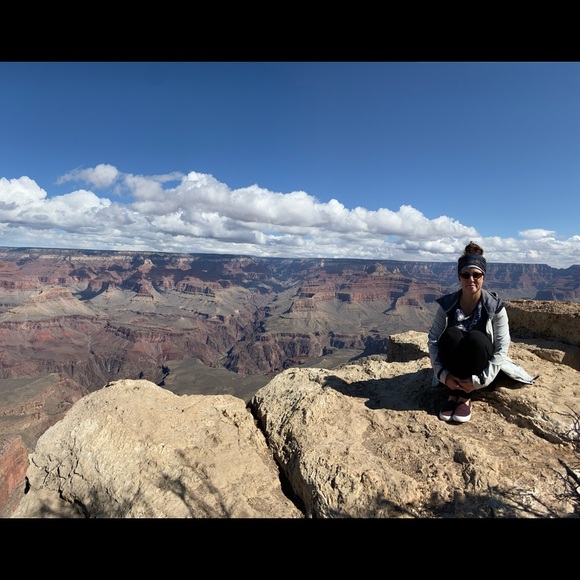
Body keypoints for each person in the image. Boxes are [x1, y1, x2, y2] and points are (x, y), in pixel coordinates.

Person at [427, 241, 535, 423]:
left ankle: (465, 397)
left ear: (483, 276)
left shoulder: (495, 307)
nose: (471, 279)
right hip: (453, 366)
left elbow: (501, 347)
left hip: (479, 366)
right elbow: (433, 339)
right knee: (451, 335)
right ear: (459, 276)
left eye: (476, 274)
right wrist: (443, 376)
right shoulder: (447, 304)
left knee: (476, 338)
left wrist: (480, 381)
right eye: (466, 274)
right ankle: (453, 393)